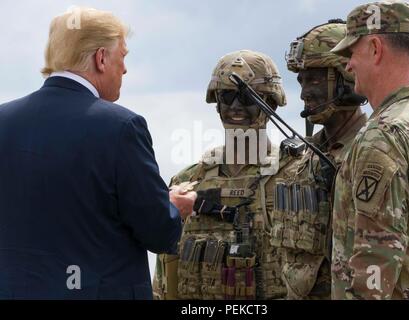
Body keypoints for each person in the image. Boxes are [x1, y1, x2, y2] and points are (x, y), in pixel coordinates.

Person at [0, 7, 195, 300]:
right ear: (101, 58)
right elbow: (158, 232)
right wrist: (175, 207)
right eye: (123, 56)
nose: (125, 68)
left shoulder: (4, 121)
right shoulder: (123, 127)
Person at [153, 50, 297, 300]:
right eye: (227, 96)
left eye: (247, 97)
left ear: (270, 103)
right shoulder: (187, 181)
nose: (235, 107)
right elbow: (166, 273)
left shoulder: (295, 177)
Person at [330, 1, 409, 299]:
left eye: (351, 52)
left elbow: (375, 260)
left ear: (374, 48)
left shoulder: (382, 136)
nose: (348, 64)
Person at [271, 20, 367, 299]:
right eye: (301, 81)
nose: (303, 93)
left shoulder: (370, 149)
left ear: (345, 78)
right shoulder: (305, 156)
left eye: (314, 79)